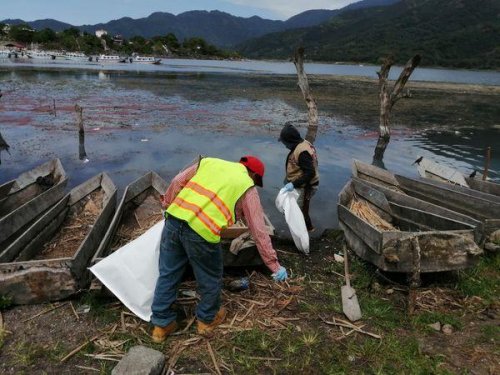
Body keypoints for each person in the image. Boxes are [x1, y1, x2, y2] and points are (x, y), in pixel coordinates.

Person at [150, 155, 288, 343]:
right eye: (256, 180)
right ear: (253, 174)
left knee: (168, 273)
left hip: (173, 220)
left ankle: (161, 325)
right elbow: (258, 229)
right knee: (210, 276)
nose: (255, 183)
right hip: (201, 232)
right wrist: (274, 265)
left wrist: (168, 204)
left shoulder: (209, 162)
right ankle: (207, 320)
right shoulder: (246, 185)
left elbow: (176, 181)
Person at [279, 123, 319, 232]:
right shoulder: (300, 144)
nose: (285, 145)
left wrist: (293, 184)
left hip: (306, 186)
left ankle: (304, 235)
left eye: (285, 143)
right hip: (301, 184)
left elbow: (310, 173)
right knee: (300, 210)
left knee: (299, 212)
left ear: (291, 141)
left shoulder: (302, 152)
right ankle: (309, 230)